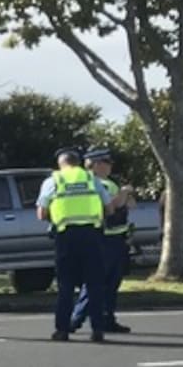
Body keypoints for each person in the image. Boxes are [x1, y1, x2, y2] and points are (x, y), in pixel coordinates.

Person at [36, 147, 113, 342]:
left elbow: (41, 213)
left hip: (66, 236)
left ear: (61, 163)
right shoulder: (91, 179)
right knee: (94, 284)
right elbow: (109, 207)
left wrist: (55, 217)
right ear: (78, 162)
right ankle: (97, 330)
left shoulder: (54, 180)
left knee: (66, 285)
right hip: (92, 236)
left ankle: (62, 330)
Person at [71, 148, 136, 334]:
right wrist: (124, 192)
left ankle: (107, 318)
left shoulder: (108, 183)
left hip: (115, 237)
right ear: (97, 164)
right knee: (96, 281)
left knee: (112, 282)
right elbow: (112, 205)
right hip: (105, 238)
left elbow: (131, 205)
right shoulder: (98, 183)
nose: (110, 166)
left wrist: (126, 195)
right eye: (107, 162)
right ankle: (76, 318)